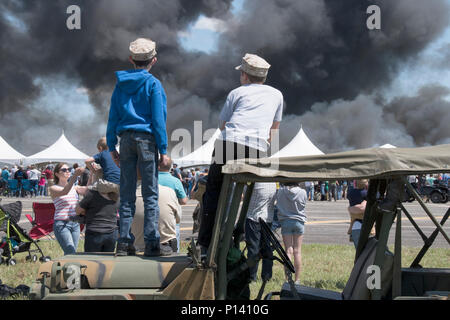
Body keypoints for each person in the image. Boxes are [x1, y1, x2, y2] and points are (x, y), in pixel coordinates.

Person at [198, 53, 283, 251]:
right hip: (258, 148)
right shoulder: (277, 94)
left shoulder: (236, 93)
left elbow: (222, 125)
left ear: (245, 75)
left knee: (214, 191)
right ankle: (241, 233)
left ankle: (206, 244)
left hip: (229, 143)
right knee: (251, 193)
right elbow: (274, 130)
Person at [106, 37, 170, 257]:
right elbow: (158, 119)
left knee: (126, 192)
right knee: (150, 193)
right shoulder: (153, 84)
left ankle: (123, 243)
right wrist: (163, 149)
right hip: (146, 140)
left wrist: (111, 146)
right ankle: (152, 243)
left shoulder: (120, 84)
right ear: (154, 60)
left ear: (131, 59)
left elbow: (112, 116)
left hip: (125, 140)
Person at [49, 163, 87, 255]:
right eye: (64, 170)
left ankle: (67, 268)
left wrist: (92, 172)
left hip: (75, 223)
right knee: (71, 252)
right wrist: (74, 176)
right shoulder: (53, 188)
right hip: (62, 224)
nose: (67, 171)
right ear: (57, 174)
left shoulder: (75, 188)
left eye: (69, 169)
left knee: (71, 253)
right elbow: (65, 191)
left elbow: (89, 189)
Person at [131, 184, 181, 253]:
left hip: (136, 249)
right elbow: (178, 219)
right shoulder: (169, 191)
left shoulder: (128, 194)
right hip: (167, 247)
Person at [245, 182, 277, 282]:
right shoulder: (273, 183)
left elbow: (245, 194)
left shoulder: (256, 182)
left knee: (253, 249)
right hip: (268, 219)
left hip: (253, 218)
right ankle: (266, 276)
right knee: (267, 249)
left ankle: (251, 277)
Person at [276, 182, 307, 284]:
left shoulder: (280, 191)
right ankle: (297, 279)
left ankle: (288, 279)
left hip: (286, 221)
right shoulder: (303, 192)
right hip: (299, 222)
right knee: (297, 251)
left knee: (288, 251)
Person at [158, 157, 188, 252]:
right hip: (171, 220)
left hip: (152, 217)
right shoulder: (175, 181)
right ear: (171, 167)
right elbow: (184, 201)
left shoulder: (150, 179)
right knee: (173, 248)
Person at [346, 179, 374, 249]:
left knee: (359, 253)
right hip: (367, 226)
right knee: (367, 253)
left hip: (355, 226)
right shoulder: (367, 194)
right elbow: (363, 208)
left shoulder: (351, 193)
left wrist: (350, 208)